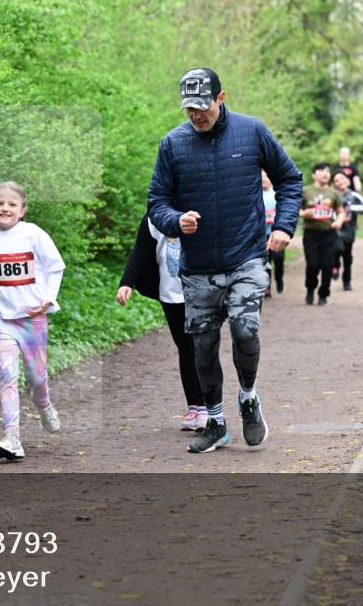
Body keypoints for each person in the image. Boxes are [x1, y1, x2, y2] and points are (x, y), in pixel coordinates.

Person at [147, 67, 302, 454]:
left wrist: (283, 226)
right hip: (198, 265)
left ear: (221, 97)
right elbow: (157, 202)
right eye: (189, 109)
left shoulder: (252, 131)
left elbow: (289, 179)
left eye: (202, 107)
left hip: (246, 256)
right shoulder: (173, 143)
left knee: (246, 331)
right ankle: (215, 422)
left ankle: (248, 397)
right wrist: (174, 221)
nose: (196, 115)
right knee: (202, 346)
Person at [0, 181, 65, 460]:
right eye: (0, 203)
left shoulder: (33, 234)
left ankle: (44, 403)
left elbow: (55, 266)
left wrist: (49, 298)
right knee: (6, 376)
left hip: (32, 318)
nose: (5, 208)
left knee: (37, 377)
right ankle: (12, 438)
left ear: (22, 210)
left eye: (12, 204)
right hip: (2, 319)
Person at [116, 214, 207, 431]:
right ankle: (194, 406)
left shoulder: (201, 208)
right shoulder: (155, 216)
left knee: (202, 347)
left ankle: (207, 407)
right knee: (185, 349)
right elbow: (140, 251)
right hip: (171, 294)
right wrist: (127, 282)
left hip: (202, 291)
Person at [300, 162, 346, 306]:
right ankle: (310, 288)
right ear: (314, 174)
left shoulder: (333, 193)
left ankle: (323, 295)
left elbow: (341, 212)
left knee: (327, 265)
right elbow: (295, 209)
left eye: (327, 171)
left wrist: (339, 221)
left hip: (328, 233)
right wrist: (304, 213)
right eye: (321, 171)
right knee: (312, 265)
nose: (325, 173)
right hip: (311, 234)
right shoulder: (306, 191)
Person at [330, 169, 363, 291]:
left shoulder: (354, 195)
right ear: (334, 184)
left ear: (348, 181)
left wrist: (351, 208)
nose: (340, 182)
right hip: (335, 229)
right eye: (336, 180)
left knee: (347, 257)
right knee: (337, 249)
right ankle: (335, 265)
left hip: (349, 230)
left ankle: (346, 281)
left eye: (342, 179)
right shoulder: (332, 195)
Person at [262, 169, 286, 296]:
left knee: (279, 259)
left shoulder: (276, 194)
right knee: (265, 261)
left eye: (266, 176)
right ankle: (267, 287)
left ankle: (279, 278)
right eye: (261, 176)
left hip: (276, 234)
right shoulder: (256, 195)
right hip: (261, 235)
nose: (263, 179)